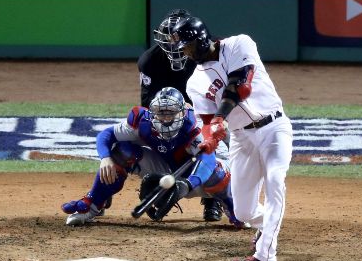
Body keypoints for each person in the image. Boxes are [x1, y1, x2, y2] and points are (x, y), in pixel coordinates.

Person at [171, 16, 293, 261]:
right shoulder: (194, 83)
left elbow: (240, 86)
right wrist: (209, 139)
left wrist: (220, 118)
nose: (184, 52)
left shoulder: (239, 44)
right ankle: (267, 228)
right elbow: (207, 122)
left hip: (273, 128)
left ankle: (265, 255)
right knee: (244, 211)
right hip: (241, 138)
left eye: (186, 46)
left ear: (200, 40)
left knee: (275, 182)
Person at [61, 86, 245, 228]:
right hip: (168, 170)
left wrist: (189, 184)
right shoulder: (142, 121)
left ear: (182, 112)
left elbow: (208, 161)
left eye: (171, 113)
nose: (165, 118)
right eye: (161, 112)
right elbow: (106, 135)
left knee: (217, 174)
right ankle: (93, 204)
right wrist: (105, 157)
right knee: (121, 151)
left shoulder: (194, 127)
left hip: (200, 175)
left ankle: (233, 207)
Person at [138, 8, 224, 223]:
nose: (173, 43)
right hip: (169, 113)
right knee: (141, 138)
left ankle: (213, 199)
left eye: (178, 38)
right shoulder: (150, 60)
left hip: (204, 111)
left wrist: (197, 114)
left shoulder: (204, 54)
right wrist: (173, 111)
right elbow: (147, 104)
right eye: (169, 38)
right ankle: (157, 187)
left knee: (214, 141)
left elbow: (218, 96)